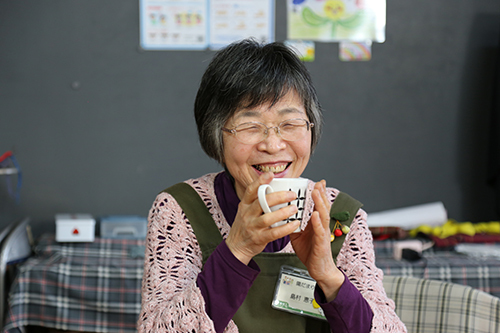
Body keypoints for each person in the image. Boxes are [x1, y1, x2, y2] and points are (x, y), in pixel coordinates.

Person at [138, 39, 406, 333]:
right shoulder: (181, 211)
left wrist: (329, 276)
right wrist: (237, 249)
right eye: (250, 126)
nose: (273, 145)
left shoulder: (341, 217)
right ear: (216, 135)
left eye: (289, 124)